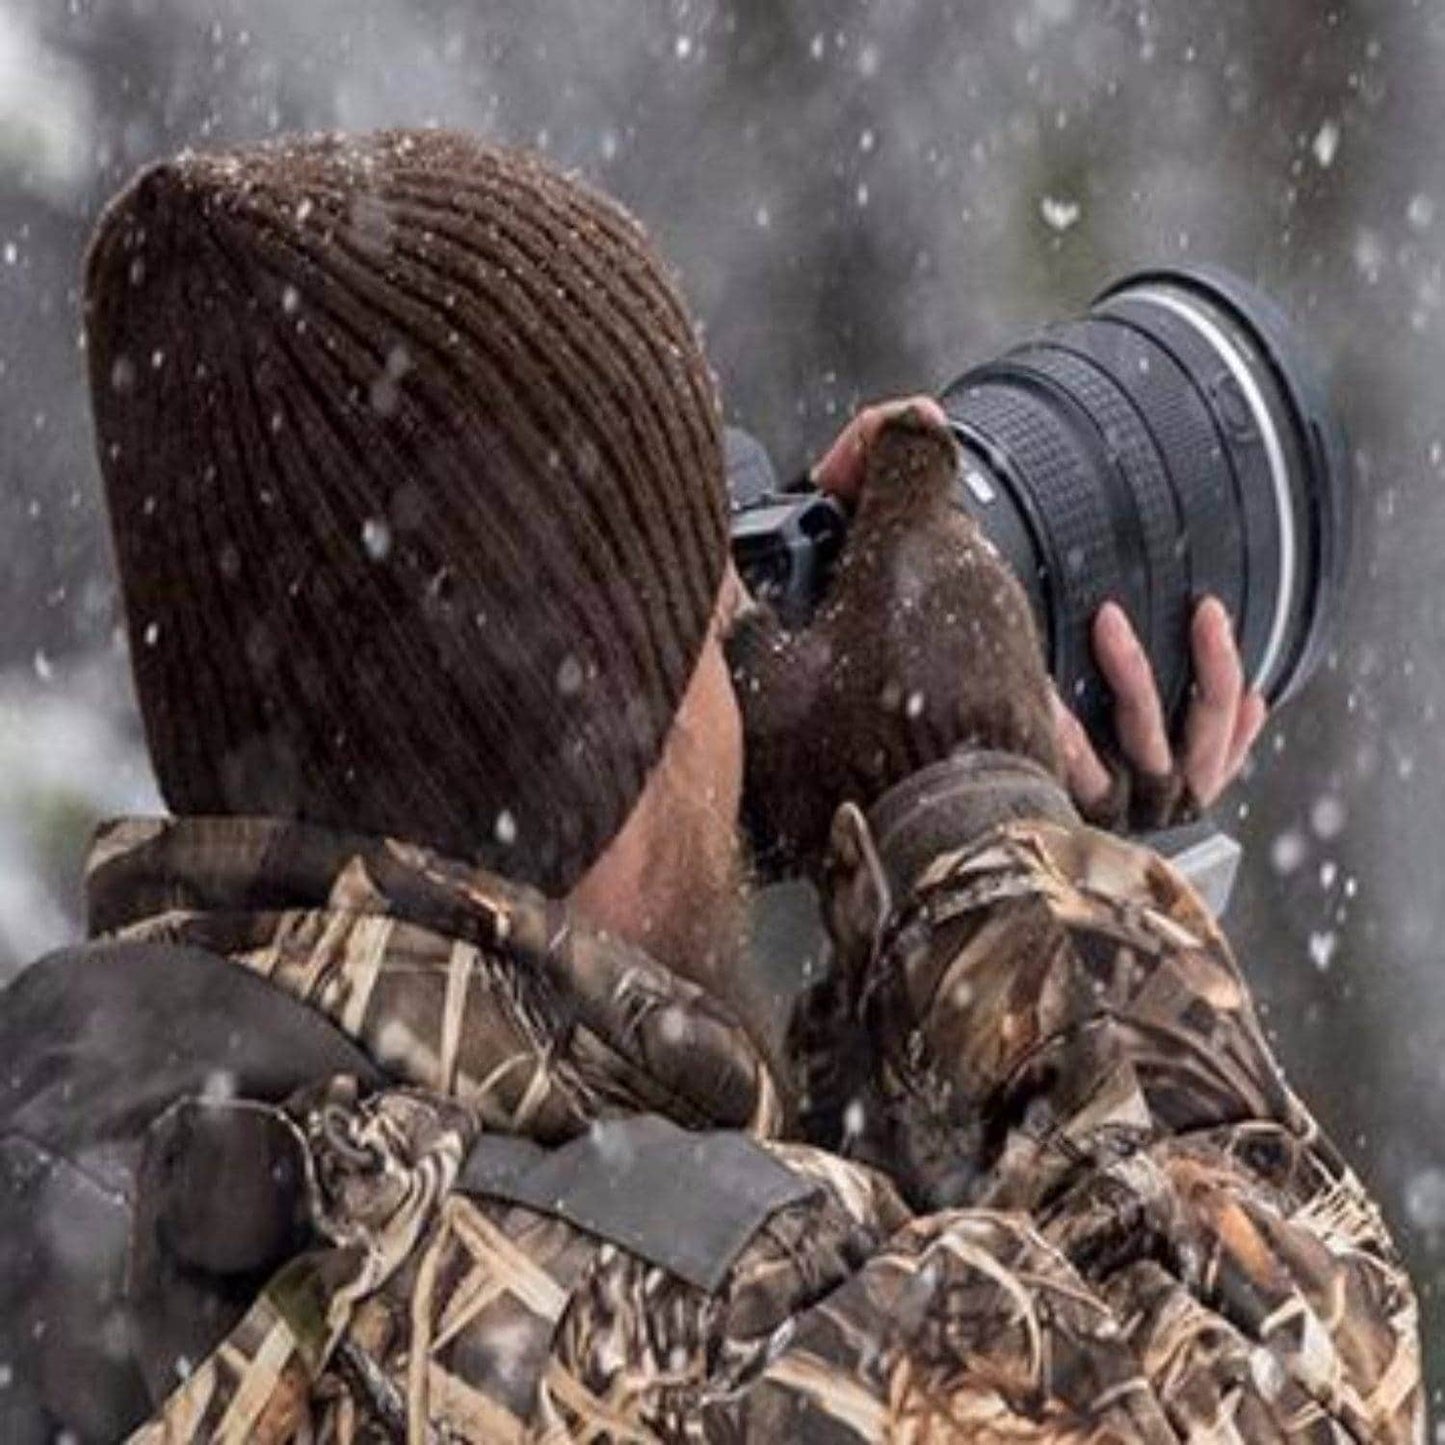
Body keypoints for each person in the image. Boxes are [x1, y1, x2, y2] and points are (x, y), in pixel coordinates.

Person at [0, 130, 1418, 1442]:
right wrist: (981, 841)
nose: (750, 679)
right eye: (717, 620)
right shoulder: (562, 1313)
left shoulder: (144, 1184)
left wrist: (917, 1029)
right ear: (593, 729)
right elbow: (1311, 1407)